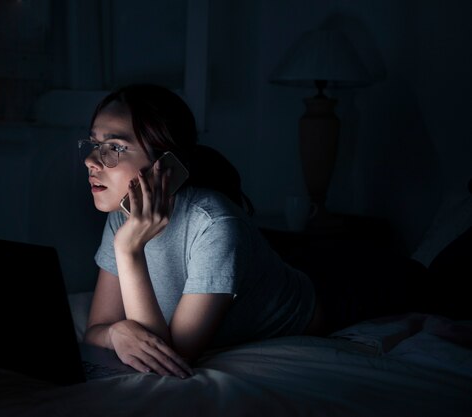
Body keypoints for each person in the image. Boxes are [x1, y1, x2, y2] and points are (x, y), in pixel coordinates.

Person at [79, 84, 322, 379]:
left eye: (114, 147)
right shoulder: (124, 214)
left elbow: (168, 359)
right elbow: (97, 328)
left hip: (327, 308)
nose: (91, 160)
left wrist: (128, 250)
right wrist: (115, 332)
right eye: (94, 143)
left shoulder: (216, 225)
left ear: (164, 165)